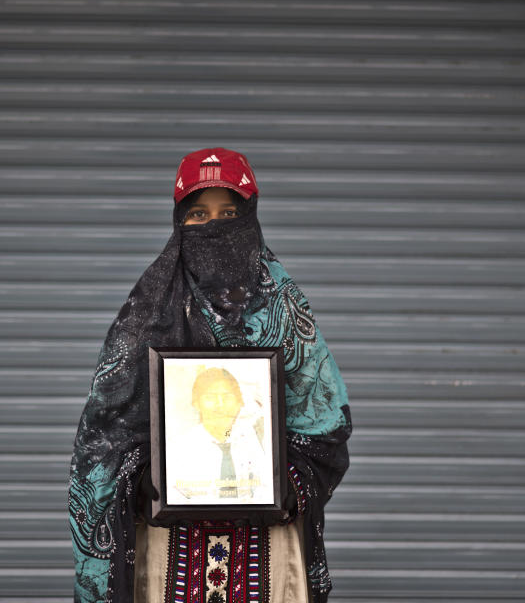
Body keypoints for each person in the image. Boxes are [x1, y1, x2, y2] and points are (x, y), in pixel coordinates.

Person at [69, 148, 352, 603]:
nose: (214, 226)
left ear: (251, 219)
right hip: (169, 551)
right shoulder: (144, 318)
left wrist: (283, 485)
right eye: (199, 213)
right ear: (179, 222)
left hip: (267, 552)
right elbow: (101, 443)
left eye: (229, 212)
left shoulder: (285, 309)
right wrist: (142, 482)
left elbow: (326, 431)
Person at [166, 366, 273, 504]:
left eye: (227, 397)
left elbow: (266, 489)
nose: (220, 405)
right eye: (210, 397)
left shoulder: (257, 442)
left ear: (239, 403)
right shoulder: (179, 448)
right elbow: (174, 496)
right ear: (197, 403)